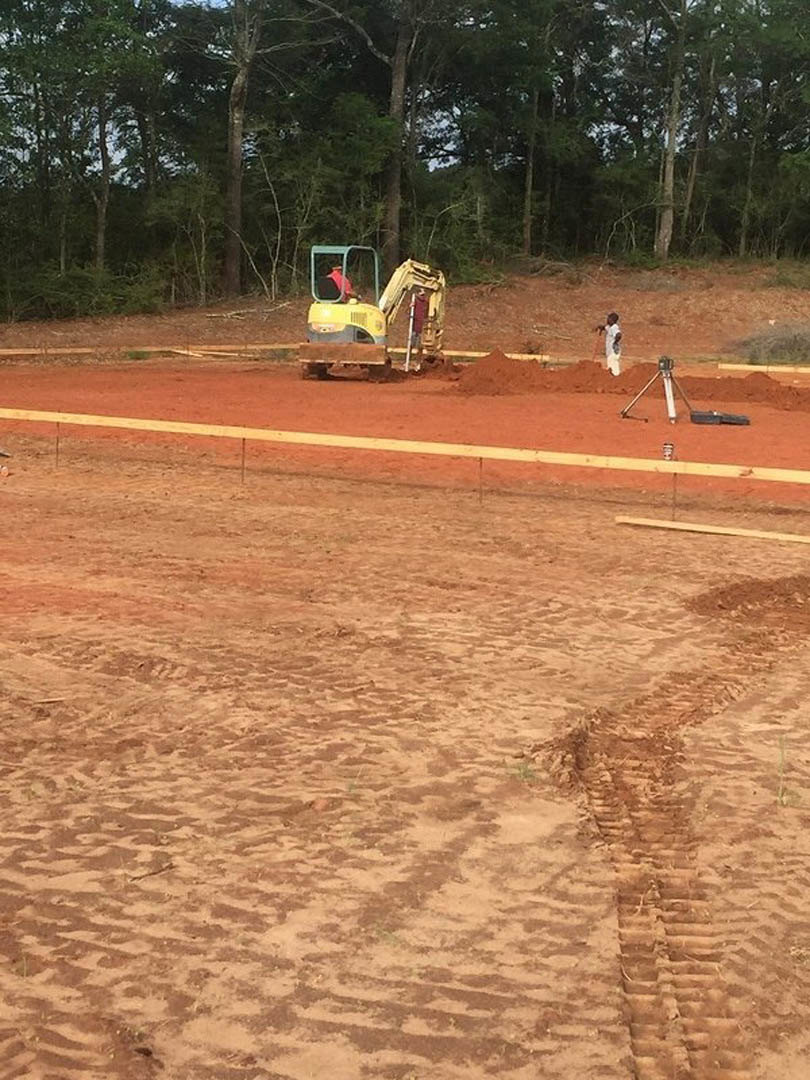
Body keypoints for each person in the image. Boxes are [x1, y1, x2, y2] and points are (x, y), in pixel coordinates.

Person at [596, 311, 622, 376]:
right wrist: (600, 327)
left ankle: (616, 380)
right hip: (610, 352)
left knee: (613, 368)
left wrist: (615, 342)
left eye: (609, 318)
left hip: (613, 351)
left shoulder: (614, 327)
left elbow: (618, 335)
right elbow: (605, 327)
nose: (607, 320)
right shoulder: (609, 327)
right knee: (611, 366)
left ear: (612, 320)